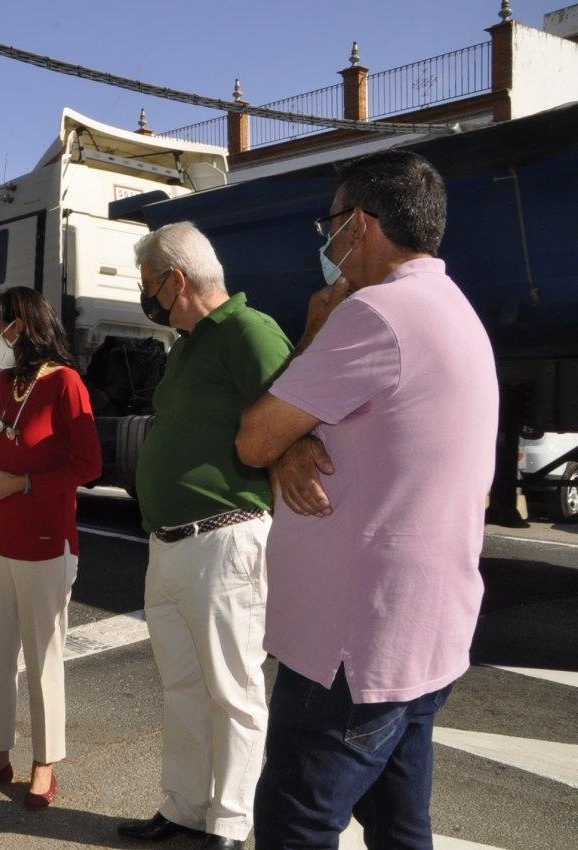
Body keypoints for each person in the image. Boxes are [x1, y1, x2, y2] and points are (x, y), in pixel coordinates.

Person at [235, 150, 497, 849]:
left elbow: (255, 437)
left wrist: (317, 327)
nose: (327, 243)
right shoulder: (453, 307)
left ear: (361, 223)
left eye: (331, 225)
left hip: (349, 651)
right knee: (399, 828)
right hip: (423, 639)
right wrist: (296, 445)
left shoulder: (374, 312)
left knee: (295, 823)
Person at [116, 223, 292, 849]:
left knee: (233, 690)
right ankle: (186, 808)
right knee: (183, 686)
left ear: (176, 280)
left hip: (224, 540)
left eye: (148, 287)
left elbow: (295, 422)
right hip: (169, 544)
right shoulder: (188, 344)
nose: (148, 298)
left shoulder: (250, 331)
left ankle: (229, 822)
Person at [0, 286, 101, 810]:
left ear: (27, 326)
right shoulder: (7, 381)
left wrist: (24, 485)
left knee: (43, 659)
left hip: (45, 541)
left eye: (1, 326)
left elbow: (88, 465)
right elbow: (14, 452)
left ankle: (45, 763)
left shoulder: (67, 384)